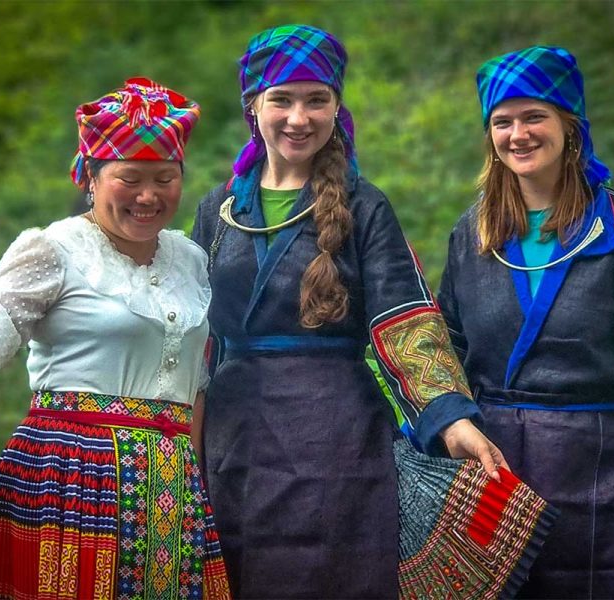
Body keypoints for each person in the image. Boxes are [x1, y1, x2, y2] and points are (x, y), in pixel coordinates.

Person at [192, 24, 508, 599]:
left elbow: (405, 319)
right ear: (252, 107)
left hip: (337, 438)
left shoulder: (365, 205)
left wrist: (450, 417)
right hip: (234, 441)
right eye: (281, 100)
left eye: (317, 100)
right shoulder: (218, 210)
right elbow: (194, 339)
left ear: (337, 107)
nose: (299, 117)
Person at [0, 78, 232, 599]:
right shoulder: (56, 248)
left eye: (165, 179)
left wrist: (194, 480)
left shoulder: (190, 260)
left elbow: (192, 382)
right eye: (130, 178)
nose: (149, 196)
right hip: (71, 475)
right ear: (93, 179)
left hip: (170, 486)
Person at [437, 45, 614, 599]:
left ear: (570, 124)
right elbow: (446, 354)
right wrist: (441, 424)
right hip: (494, 481)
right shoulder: (472, 235)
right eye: (502, 121)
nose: (519, 134)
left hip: (601, 471)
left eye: (535, 116)